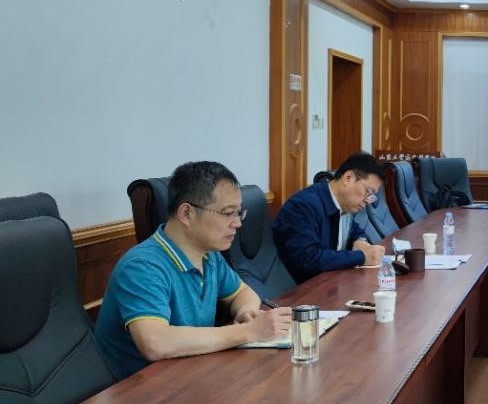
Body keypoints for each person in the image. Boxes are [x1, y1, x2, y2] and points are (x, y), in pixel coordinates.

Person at [94, 161, 292, 380]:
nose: (237, 223)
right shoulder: (142, 266)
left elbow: (244, 293)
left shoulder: (209, 255)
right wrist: (247, 332)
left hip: (188, 376)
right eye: (228, 213)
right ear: (187, 213)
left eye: (238, 213)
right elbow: (155, 342)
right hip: (138, 391)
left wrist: (247, 313)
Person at [273, 151, 386, 283]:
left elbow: (354, 229)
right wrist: (362, 256)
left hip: (333, 282)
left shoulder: (344, 204)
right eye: (368, 192)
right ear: (348, 178)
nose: (368, 201)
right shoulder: (303, 206)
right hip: (305, 289)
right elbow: (308, 259)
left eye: (372, 196)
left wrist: (360, 240)